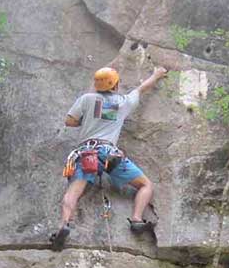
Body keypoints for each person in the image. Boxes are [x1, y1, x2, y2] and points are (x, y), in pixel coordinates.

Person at [50, 65, 168, 249]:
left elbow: (70, 121)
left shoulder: (86, 99)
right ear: (115, 84)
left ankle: (64, 225)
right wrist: (157, 74)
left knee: (72, 192)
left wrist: (89, 119)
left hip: (86, 153)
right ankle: (136, 219)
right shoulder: (122, 102)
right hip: (109, 154)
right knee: (145, 185)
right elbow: (142, 88)